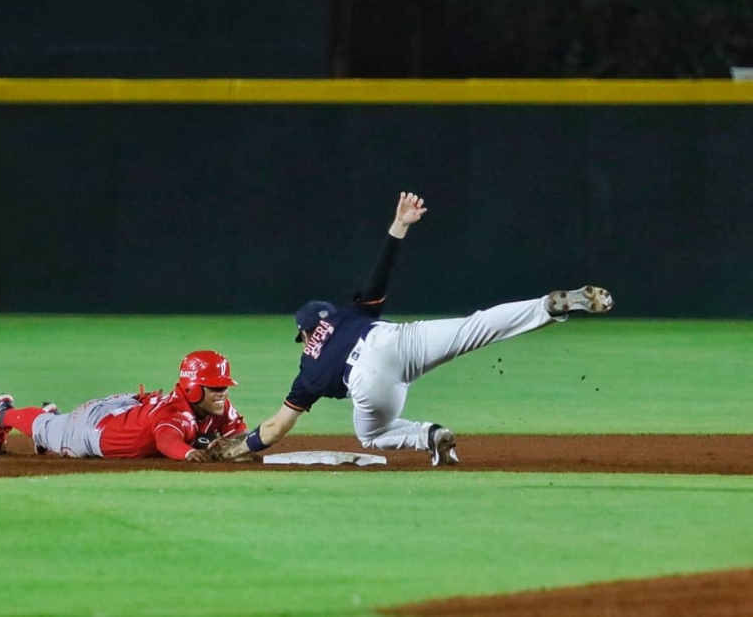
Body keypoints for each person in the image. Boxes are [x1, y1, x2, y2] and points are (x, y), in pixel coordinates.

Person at [214, 192, 613, 466]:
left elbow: (276, 427)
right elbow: (381, 272)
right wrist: (399, 224)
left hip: (370, 383)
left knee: (372, 436)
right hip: (393, 340)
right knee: (478, 326)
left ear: (304, 334)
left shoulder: (308, 371)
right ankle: (546, 307)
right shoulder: (349, 314)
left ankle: (428, 436)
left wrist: (236, 449)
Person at [0, 350, 246, 462]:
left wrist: (241, 445)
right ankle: (3, 414)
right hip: (94, 427)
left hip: (131, 407)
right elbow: (167, 440)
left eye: (224, 386)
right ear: (193, 388)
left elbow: (240, 434)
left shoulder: (215, 406)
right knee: (47, 428)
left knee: (56, 424)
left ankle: (56, 417)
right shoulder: (175, 416)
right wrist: (190, 454)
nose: (222, 392)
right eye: (215, 387)